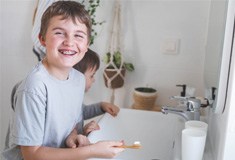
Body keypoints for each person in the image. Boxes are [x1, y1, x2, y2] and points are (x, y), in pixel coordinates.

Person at [2, 1, 124, 160]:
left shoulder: (78, 79)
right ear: (42, 39)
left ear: (87, 44)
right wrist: (93, 150)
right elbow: (31, 155)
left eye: (78, 35)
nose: (69, 42)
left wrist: (74, 136)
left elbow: (70, 122)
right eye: (59, 33)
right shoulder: (34, 87)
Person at [65, 49, 120, 148]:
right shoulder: (66, 102)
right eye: (92, 76)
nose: (94, 80)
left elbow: (82, 112)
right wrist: (84, 133)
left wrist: (101, 106)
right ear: (76, 76)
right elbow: (69, 142)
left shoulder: (75, 96)